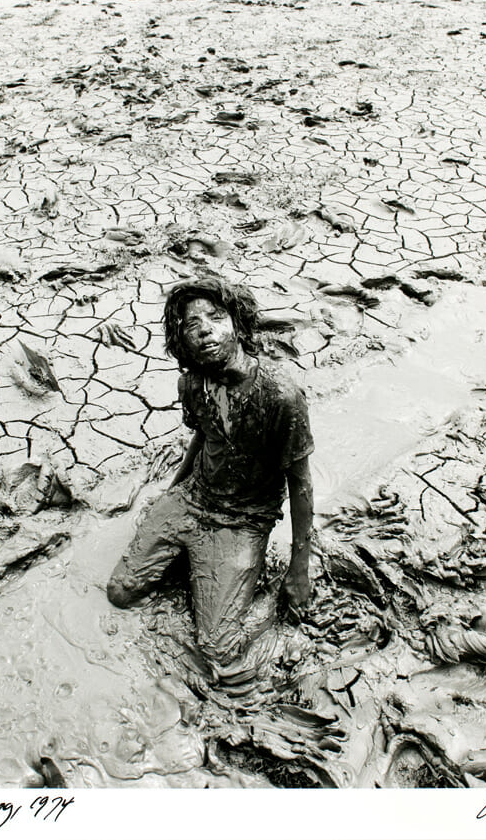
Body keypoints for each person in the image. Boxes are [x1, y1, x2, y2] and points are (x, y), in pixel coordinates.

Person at [107, 277, 314, 682]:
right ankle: (192, 553)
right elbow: (203, 437)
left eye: (216, 317)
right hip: (193, 498)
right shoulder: (192, 383)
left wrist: (298, 568)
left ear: (237, 324)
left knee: (218, 649)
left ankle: (249, 579)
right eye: (191, 324)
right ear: (182, 339)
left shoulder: (281, 395)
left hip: (241, 519)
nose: (204, 329)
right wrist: (170, 496)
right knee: (121, 591)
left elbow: (300, 483)